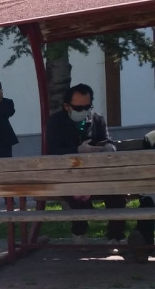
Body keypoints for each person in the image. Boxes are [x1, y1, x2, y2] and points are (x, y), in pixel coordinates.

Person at [46, 83, 129, 245]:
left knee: (117, 195)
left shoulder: (97, 119)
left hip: (97, 176)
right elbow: (53, 151)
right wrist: (77, 150)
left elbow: (108, 141)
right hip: (68, 177)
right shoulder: (56, 122)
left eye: (87, 106)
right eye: (78, 108)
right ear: (66, 106)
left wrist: (107, 148)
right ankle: (79, 233)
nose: (83, 111)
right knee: (79, 197)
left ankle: (115, 236)